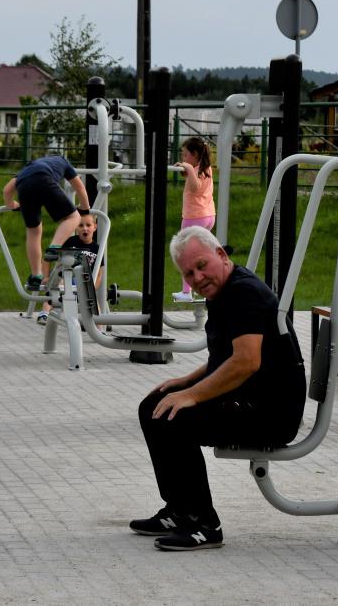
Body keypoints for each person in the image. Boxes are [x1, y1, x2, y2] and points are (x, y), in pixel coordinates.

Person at [131, 226, 307, 551]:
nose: (197, 277)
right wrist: (187, 381)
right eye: (189, 273)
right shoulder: (225, 291)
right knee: (154, 405)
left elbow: (246, 362)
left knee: (175, 417)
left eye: (201, 265)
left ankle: (204, 524)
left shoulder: (243, 294)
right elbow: (228, 357)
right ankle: (179, 509)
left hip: (270, 413)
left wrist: (192, 395)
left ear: (221, 256)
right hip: (251, 398)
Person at [2, 155, 90, 292]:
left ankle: (36, 275)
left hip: (24, 187)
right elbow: (80, 187)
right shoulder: (64, 162)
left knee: (33, 231)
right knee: (73, 218)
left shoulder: (26, 169)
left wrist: (12, 204)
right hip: (44, 179)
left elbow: (7, 190)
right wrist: (84, 207)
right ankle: (54, 247)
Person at [36, 212, 105, 325]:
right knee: (57, 289)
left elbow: (99, 274)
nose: (85, 229)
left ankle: (99, 328)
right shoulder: (70, 242)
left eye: (88, 225)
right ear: (76, 227)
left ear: (95, 227)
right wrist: (46, 276)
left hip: (85, 280)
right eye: (81, 225)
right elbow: (48, 257)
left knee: (92, 300)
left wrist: (93, 287)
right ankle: (45, 313)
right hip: (67, 276)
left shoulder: (97, 249)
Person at [171, 137, 215, 303]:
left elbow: (195, 187)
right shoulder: (205, 168)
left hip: (195, 216)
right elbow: (191, 178)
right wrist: (185, 167)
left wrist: (188, 167)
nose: (184, 158)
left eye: (186, 155)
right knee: (201, 254)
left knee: (184, 253)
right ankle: (203, 287)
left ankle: (186, 292)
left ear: (195, 154)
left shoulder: (197, 170)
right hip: (208, 215)